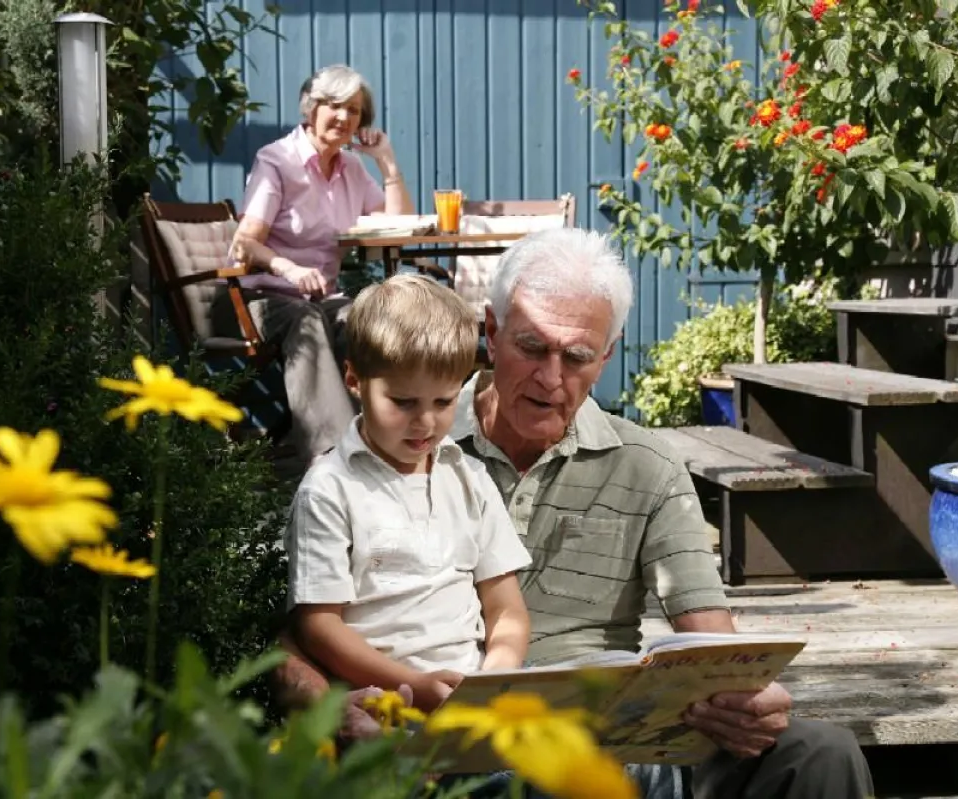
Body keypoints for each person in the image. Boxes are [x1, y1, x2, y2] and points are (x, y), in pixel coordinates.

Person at [274, 228, 875, 798]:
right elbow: (300, 629)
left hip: (606, 730)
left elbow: (713, 645)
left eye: (578, 356)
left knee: (820, 754)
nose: (551, 378)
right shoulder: (403, 445)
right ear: (491, 330)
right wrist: (328, 705)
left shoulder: (647, 466)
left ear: (608, 355)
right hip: (440, 723)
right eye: (531, 347)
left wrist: (750, 695)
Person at [285, 274, 533, 711]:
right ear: (355, 381)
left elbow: (506, 607)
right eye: (402, 403)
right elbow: (318, 626)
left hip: (472, 696)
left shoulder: (468, 477)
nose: (425, 423)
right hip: (383, 702)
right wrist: (415, 685)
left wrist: (496, 675)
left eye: (443, 403)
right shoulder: (330, 489)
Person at [216, 64, 414, 464]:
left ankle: (390, 434)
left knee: (366, 316)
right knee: (305, 319)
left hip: (323, 298)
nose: (343, 117)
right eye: (334, 105)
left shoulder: (351, 168)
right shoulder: (277, 161)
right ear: (310, 108)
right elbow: (245, 243)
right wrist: (289, 269)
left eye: (354, 110)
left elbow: (400, 227)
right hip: (258, 299)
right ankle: (334, 455)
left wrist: (387, 162)